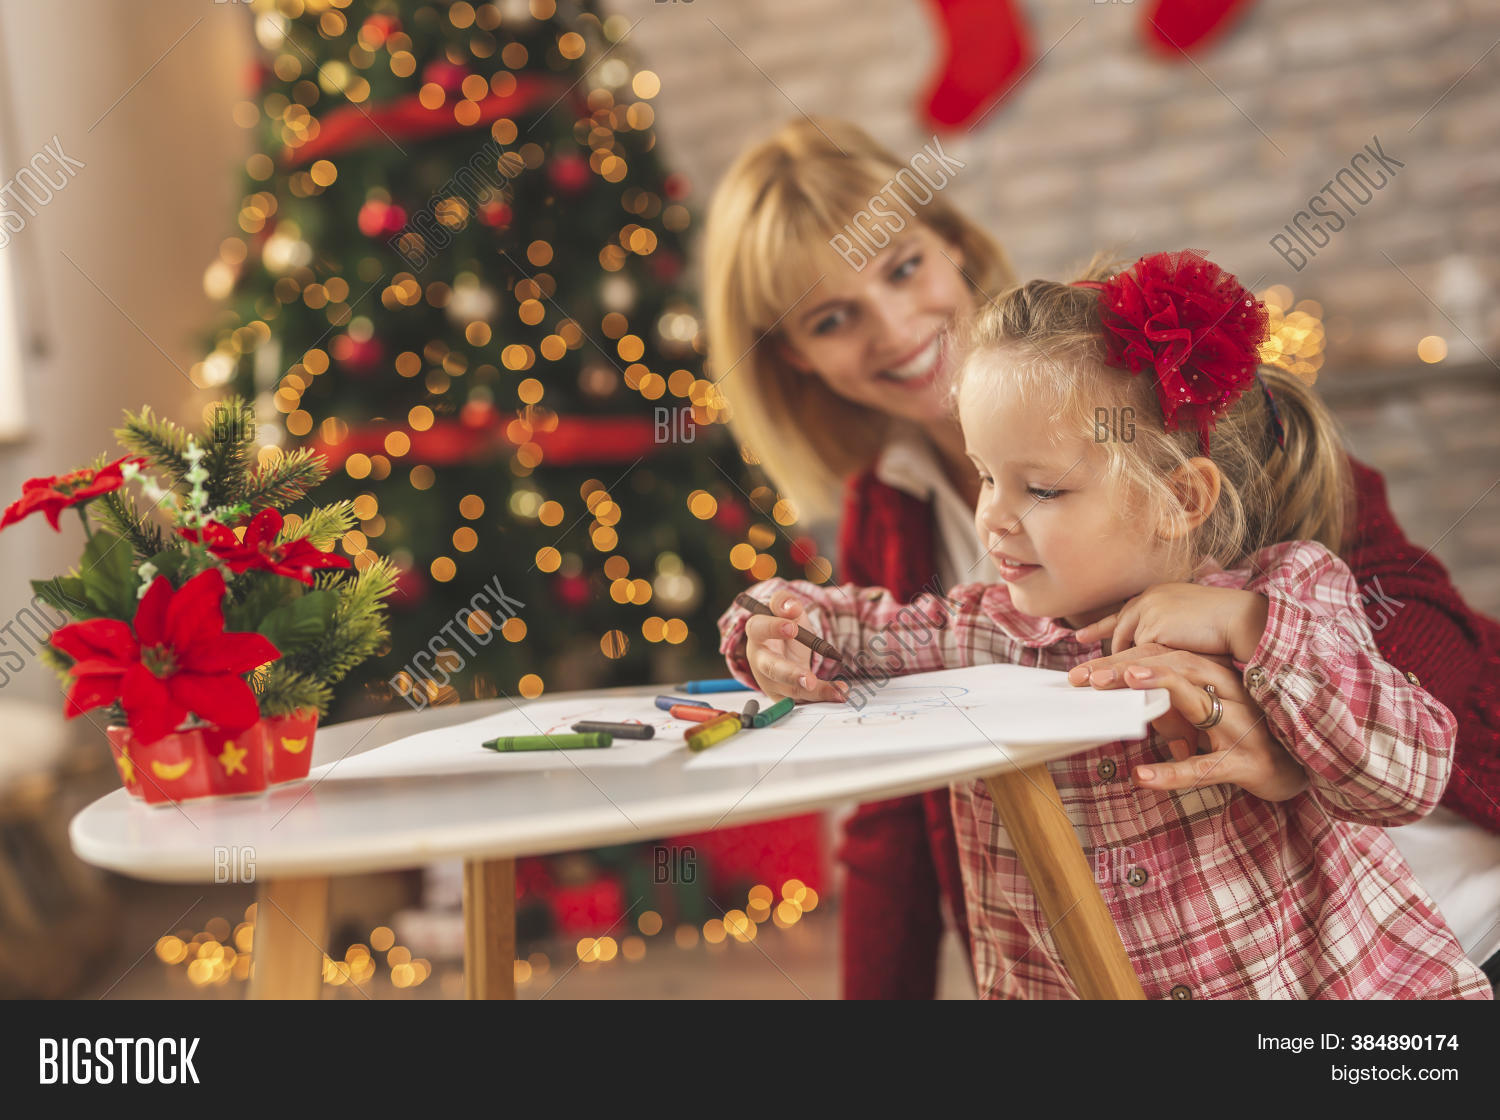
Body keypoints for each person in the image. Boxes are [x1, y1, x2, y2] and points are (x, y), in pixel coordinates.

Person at [702, 116, 1500, 998]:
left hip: (1427, 917)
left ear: (952, 242)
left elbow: (1414, 628)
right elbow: (888, 791)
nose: (892, 328)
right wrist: (774, 627)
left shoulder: (1159, 400)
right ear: (793, 356)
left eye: (900, 268)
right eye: (831, 317)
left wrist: (1285, 716)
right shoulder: (923, 560)